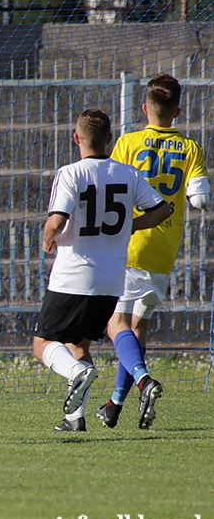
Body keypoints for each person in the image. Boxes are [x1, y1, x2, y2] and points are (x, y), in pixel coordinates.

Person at [32, 108, 171, 432]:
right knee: (80, 347)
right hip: (111, 282)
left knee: (42, 344)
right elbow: (161, 210)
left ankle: (76, 374)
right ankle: (73, 418)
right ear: (110, 139)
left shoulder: (70, 173)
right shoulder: (128, 174)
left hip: (74, 275)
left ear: (76, 138)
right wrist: (129, 226)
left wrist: (47, 239)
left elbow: (57, 220)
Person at [98, 73, 209, 430]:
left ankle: (145, 381)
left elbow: (107, 187)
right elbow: (201, 199)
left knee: (114, 323)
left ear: (144, 107)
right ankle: (115, 404)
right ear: (177, 111)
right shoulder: (191, 148)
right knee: (138, 327)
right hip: (164, 249)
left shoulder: (128, 143)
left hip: (129, 243)